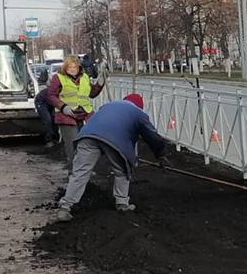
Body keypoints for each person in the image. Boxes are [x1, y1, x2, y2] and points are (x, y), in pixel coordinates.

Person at [55, 93, 169, 221]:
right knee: (122, 171)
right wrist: (161, 155)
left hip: (86, 136)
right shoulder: (138, 113)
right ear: (140, 106)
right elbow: (152, 137)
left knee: (79, 173)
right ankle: (122, 203)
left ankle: (64, 208)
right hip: (114, 141)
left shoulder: (108, 106)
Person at [45, 55, 104, 167]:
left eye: (75, 67)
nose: (73, 69)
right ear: (65, 68)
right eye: (70, 67)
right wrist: (63, 107)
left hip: (84, 115)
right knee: (72, 146)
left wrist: (100, 84)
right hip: (67, 116)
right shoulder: (59, 78)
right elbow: (51, 95)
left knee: (85, 145)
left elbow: (91, 94)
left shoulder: (85, 77)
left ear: (79, 67)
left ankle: (83, 172)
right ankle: (74, 174)